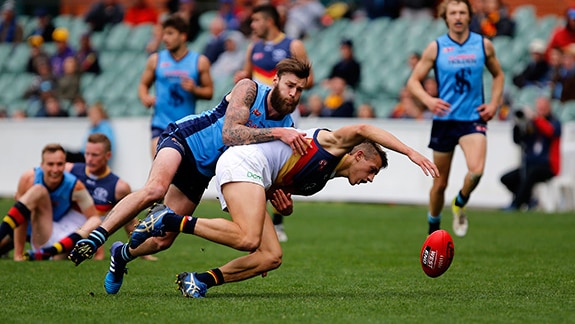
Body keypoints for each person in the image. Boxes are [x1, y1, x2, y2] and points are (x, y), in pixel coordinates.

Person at [68, 58, 312, 295]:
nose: (293, 93)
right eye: (290, 85)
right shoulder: (250, 88)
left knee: (163, 241)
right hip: (185, 139)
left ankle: (121, 255)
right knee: (155, 189)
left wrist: (281, 211)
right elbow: (230, 134)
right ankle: (97, 237)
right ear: (276, 80)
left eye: (299, 89)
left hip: (202, 172)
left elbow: (259, 176)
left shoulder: (287, 124)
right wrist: (280, 133)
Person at [127, 123, 438, 298]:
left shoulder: (321, 178)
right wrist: (410, 151)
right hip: (243, 163)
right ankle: (168, 218)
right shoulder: (331, 143)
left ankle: (200, 279)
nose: (369, 178)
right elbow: (364, 128)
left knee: (271, 256)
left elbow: (279, 189)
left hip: (256, 177)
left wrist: (285, 209)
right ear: (357, 155)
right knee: (249, 239)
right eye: (371, 169)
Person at [406, 0, 504, 237]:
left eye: (462, 12)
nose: (458, 17)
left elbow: (499, 75)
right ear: (445, 17)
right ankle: (433, 229)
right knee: (439, 184)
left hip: (471, 119)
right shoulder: (436, 47)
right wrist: (429, 101)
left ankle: (460, 201)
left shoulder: (483, 45)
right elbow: (413, 81)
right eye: (453, 13)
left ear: (469, 16)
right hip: (444, 121)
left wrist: (493, 104)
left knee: (476, 172)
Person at [233, 3, 315, 242]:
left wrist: (282, 86)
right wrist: (241, 77)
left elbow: (309, 79)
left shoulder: (293, 45)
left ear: (269, 21)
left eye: (256, 20)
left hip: (287, 112)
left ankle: (278, 221)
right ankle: (254, 217)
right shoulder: (253, 47)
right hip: (260, 110)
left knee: (282, 164)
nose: (253, 25)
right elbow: (247, 77)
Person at [0, 144, 101, 261]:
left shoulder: (75, 186)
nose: (55, 170)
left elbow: (95, 219)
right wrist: (18, 254)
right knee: (38, 190)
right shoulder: (28, 178)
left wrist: (99, 253)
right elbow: (21, 218)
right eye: (50, 164)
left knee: (95, 220)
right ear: (42, 165)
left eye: (59, 164)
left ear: (65, 164)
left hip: (46, 233)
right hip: (27, 229)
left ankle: (48, 253)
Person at [66, 133, 156, 261]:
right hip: (63, 230)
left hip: (87, 238)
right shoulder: (70, 171)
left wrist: (144, 253)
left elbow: (130, 222)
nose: (89, 159)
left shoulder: (119, 187)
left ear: (108, 155)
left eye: (95, 155)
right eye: (87, 154)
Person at [138, 14, 214, 158]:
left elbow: (209, 92)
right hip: (160, 124)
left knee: (179, 176)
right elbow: (143, 84)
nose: (165, 38)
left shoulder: (199, 61)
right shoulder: (155, 60)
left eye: (170, 33)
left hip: (186, 127)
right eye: (164, 33)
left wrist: (194, 90)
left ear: (183, 36)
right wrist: (145, 97)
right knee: (159, 163)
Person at [500, 97, 561, 211]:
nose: (541, 109)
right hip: (530, 165)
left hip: (548, 166)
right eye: (539, 107)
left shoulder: (555, 122)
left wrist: (536, 119)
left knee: (531, 174)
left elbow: (551, 131)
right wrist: (518, 126)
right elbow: (519, 141)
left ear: (549, 108)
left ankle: (516, 205)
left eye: (544, 107)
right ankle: (528, 200)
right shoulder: (532, 125)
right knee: (506, 178)